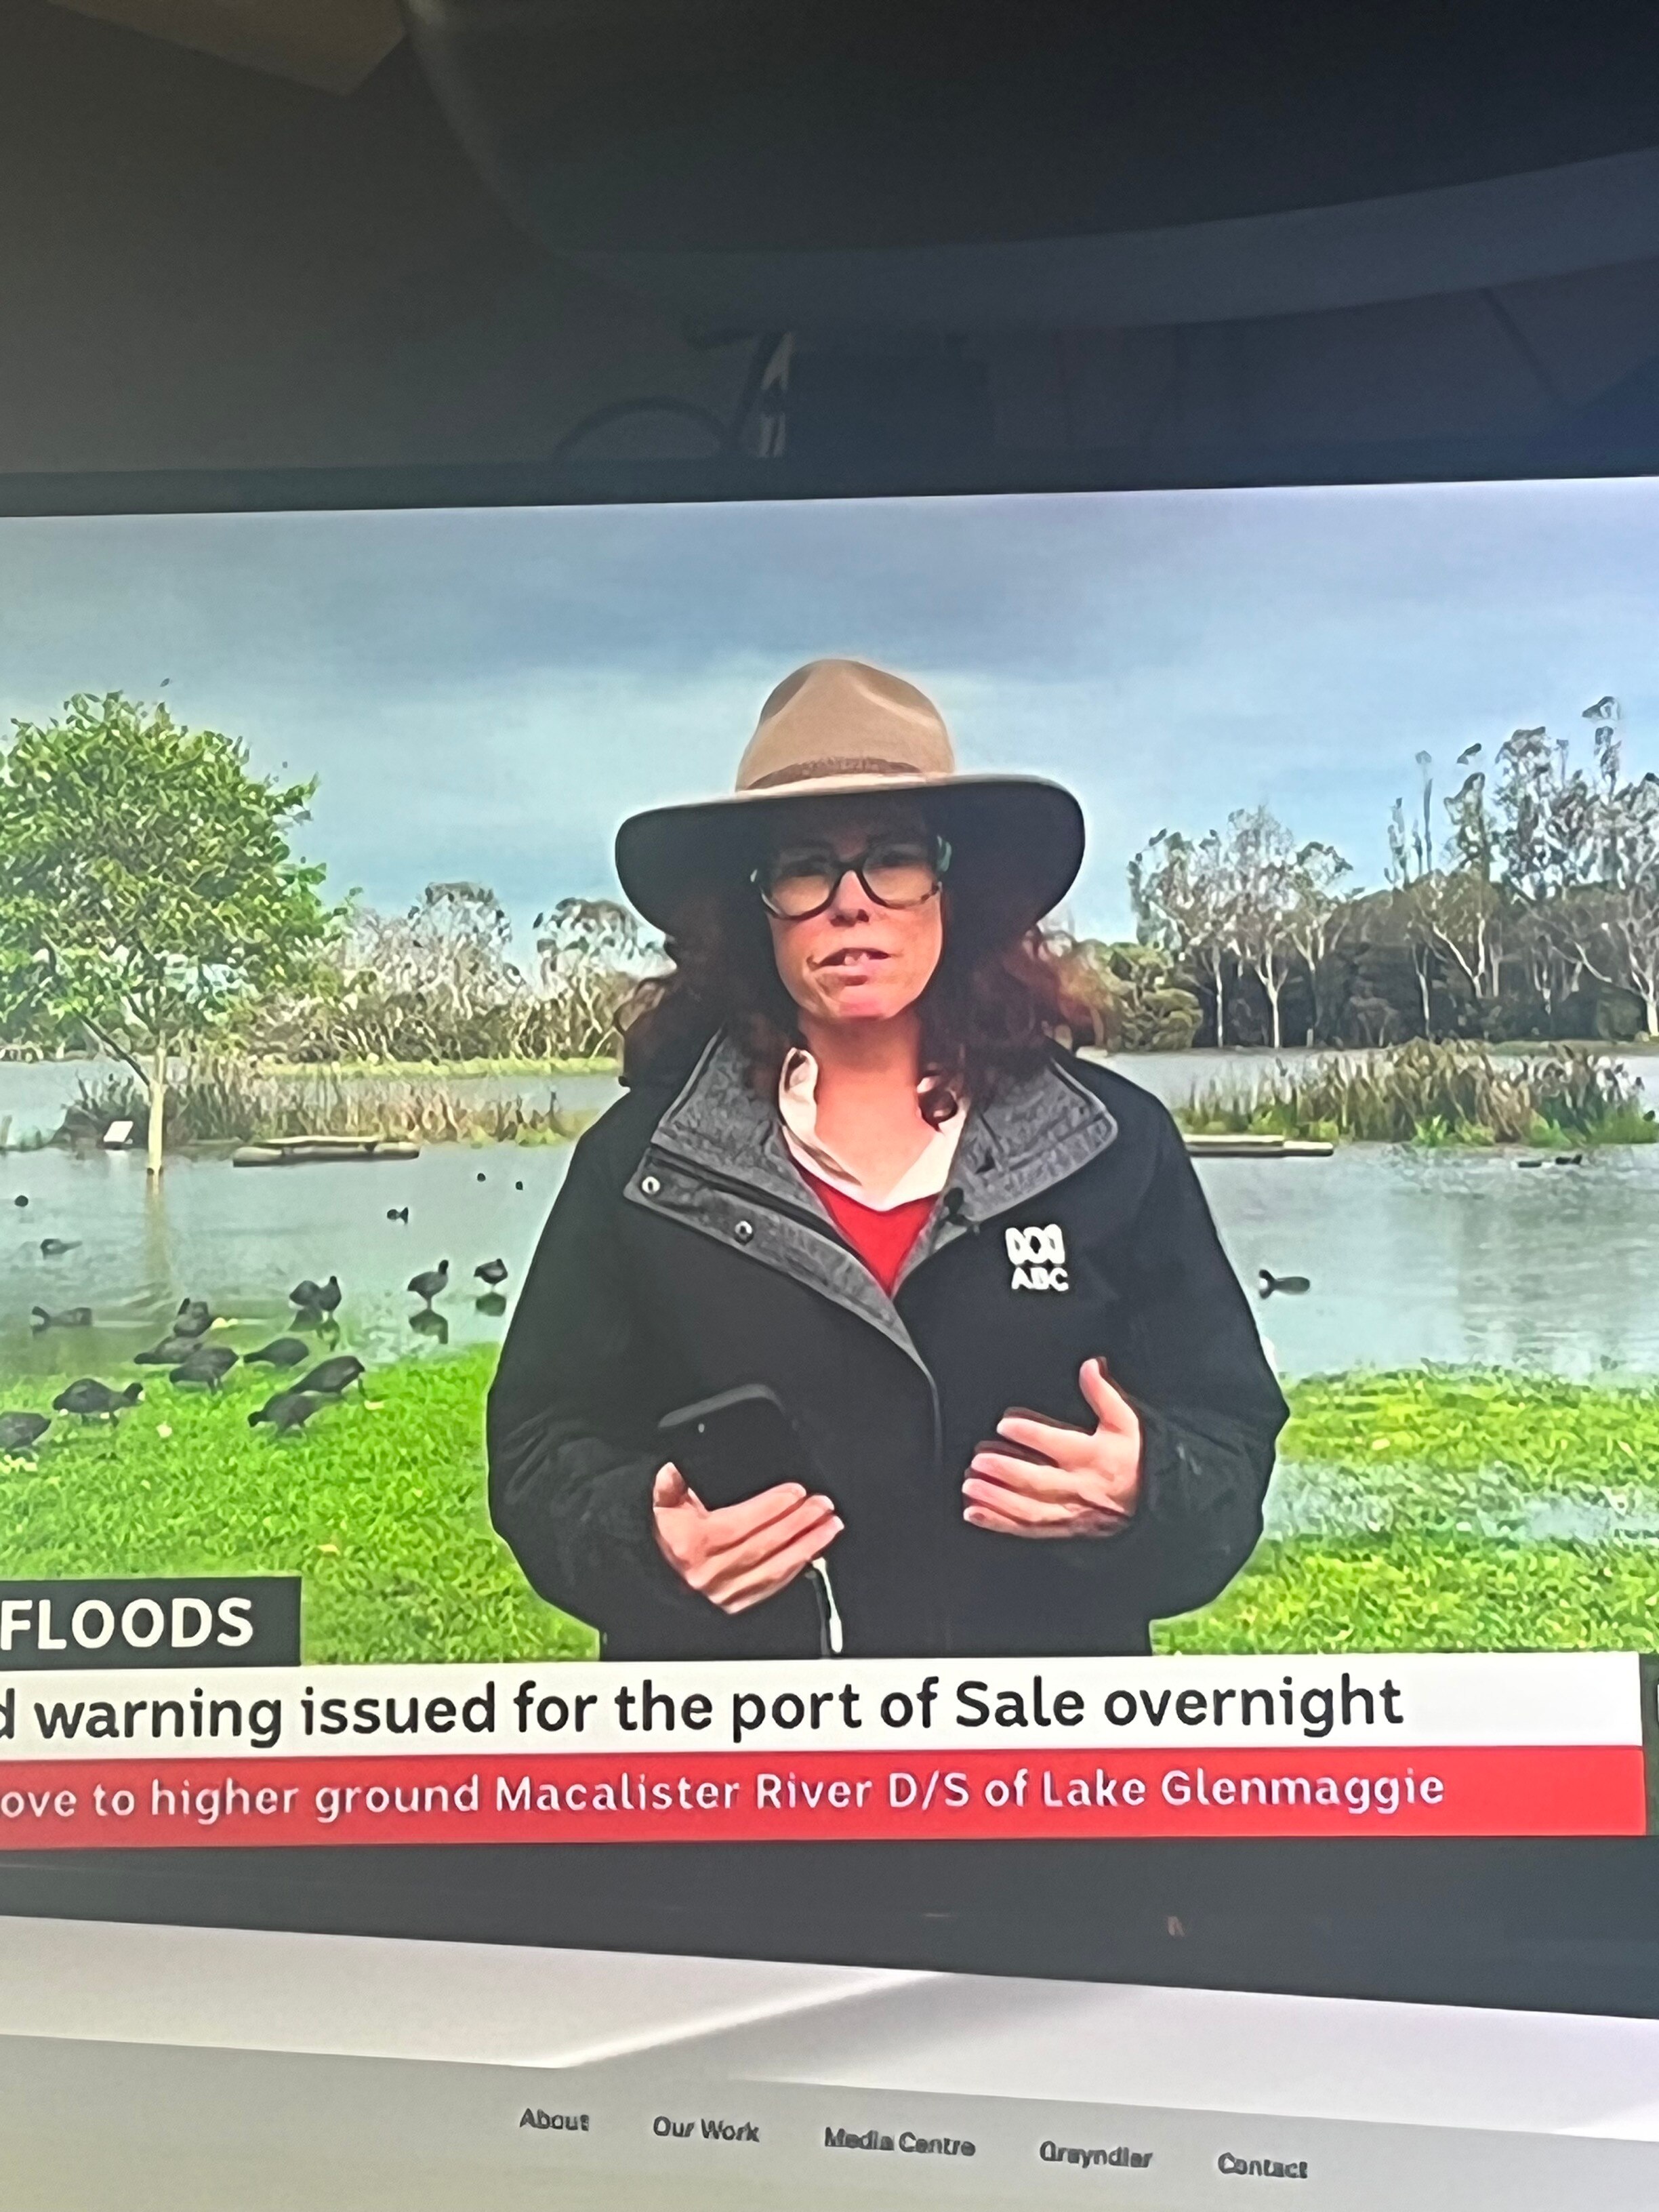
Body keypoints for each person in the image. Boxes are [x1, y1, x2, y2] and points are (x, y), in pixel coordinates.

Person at [489, 658, 1288, 1659]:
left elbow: (1228, 1430)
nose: (851, 904)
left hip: (1030, 1765)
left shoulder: (1112, 1149)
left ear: (955, 891)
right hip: (736, 1766)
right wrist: (646, 1537)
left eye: (895, 858)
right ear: (756, 908)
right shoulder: (642, 1164)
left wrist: (1145, 1489)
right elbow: (539, 1447)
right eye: (805, 865)